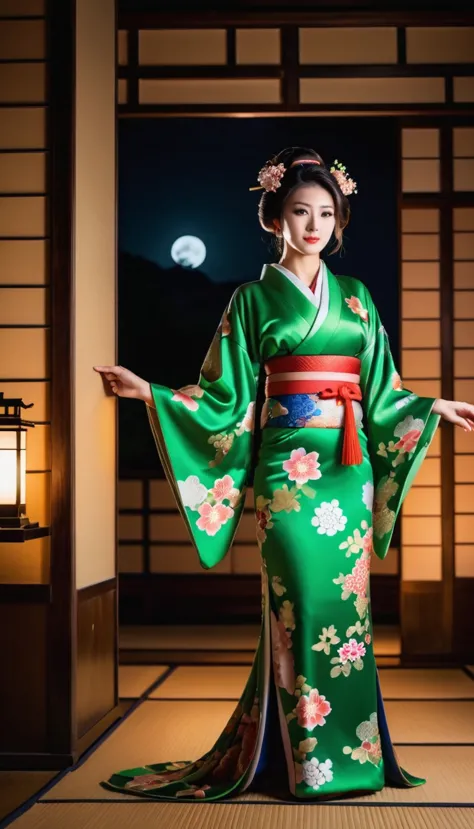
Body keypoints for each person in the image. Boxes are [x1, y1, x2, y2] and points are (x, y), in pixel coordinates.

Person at [94, 146, 474, 802]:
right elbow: (223, 397)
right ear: (275, 218)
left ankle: (350, 756)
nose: (315, 224)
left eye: (327, 213)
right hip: (288, 472)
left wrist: (429, 406)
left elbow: (383, 389)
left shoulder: (355, 298)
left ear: (339, 221)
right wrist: (153, 393)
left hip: (346, 469)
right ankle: (303, 762)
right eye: (301, 211)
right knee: (298, 604)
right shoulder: (251, 300)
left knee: (343, 612)